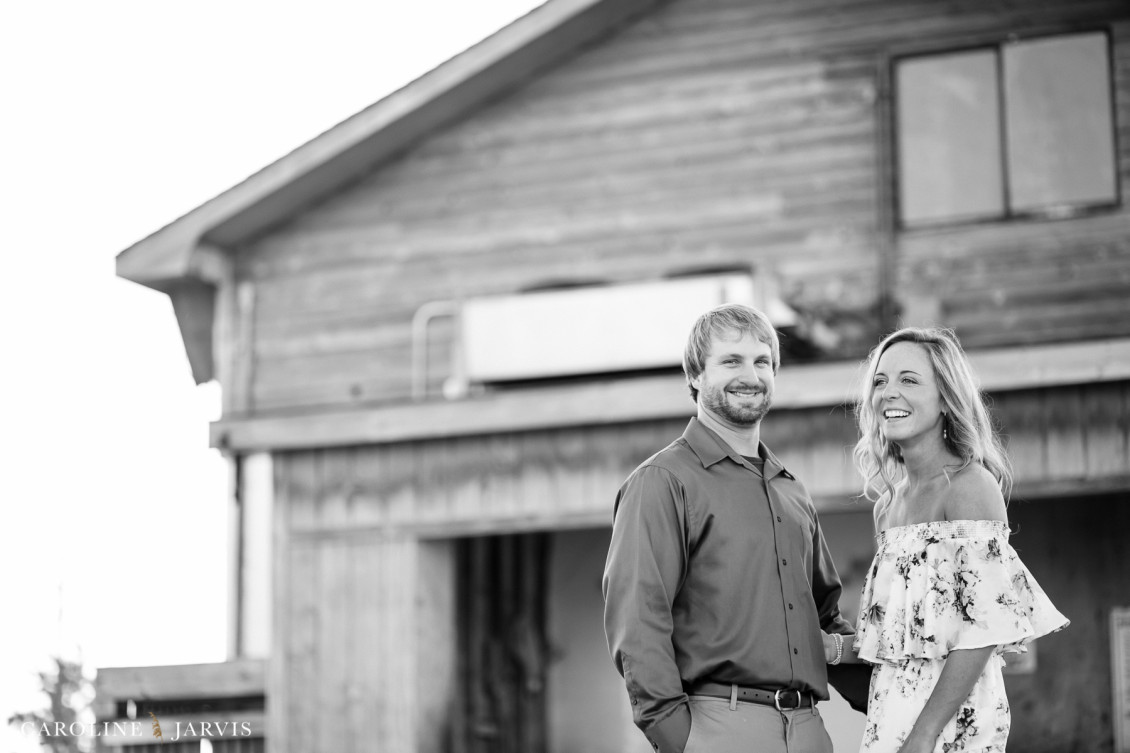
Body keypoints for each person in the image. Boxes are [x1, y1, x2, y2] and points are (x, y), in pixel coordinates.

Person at [602, 303, 863, 753]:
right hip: (718, 728)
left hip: (809, 729)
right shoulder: (662, 481)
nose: (750, 375)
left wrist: (901, 700)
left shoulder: (790, 490)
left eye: (762, 361)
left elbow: (823, 620)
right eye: (731, 361)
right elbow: (638, 624)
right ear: (696, 375)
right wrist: (679, 739)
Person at [851, 327, 1069, 753]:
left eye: (909, 379)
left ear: (945, 398)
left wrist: (923, 736)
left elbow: (981, 631)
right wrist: (835, 648)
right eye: (880, 381)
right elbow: (904, 636)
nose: (888, 392)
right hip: (889, 720)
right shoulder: (889, 506)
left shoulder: (969, 486)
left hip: (947, 729)